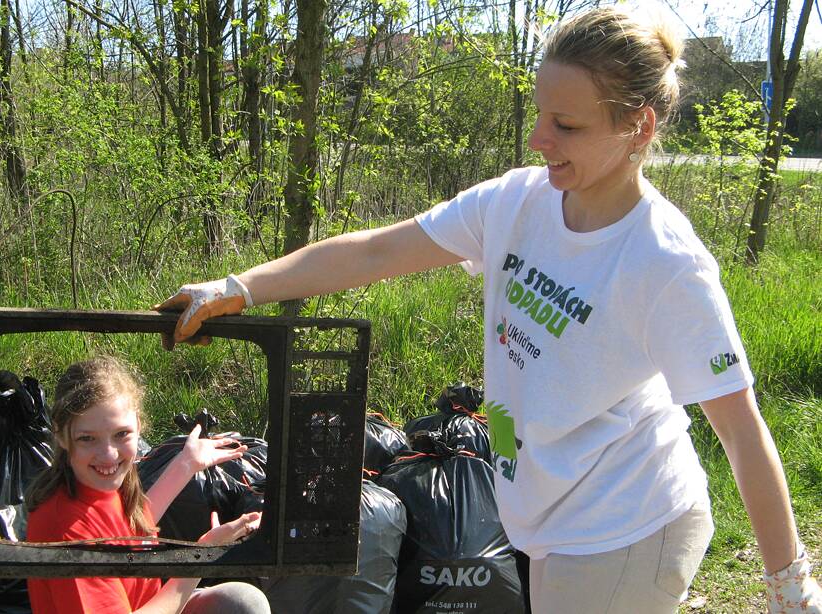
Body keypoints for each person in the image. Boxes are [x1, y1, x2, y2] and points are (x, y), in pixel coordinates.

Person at [154, 8, 821, 614]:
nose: (537, 138)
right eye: (541, 114)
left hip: (624, 525)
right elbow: (374, 251)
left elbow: (741, 431)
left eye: (565, 125)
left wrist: (788, 585)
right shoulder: (515, 203)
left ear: (637, 127)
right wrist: (238, 286)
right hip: (545, 512)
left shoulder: (664, 262)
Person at [25, 355, 271, 614]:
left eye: (121, 434)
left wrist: (186, 464)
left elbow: (130, 533)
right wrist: (204, 554)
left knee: (241, 601)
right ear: (60, 436)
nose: (108, 455)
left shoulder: (99, 484)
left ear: (138, 426)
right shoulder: (65, 528)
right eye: (87, 438)